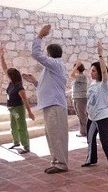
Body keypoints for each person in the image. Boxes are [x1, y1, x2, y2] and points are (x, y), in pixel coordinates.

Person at [23, 24, 68, 174]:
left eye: (46, 54)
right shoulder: (52, 68)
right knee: (51, 135)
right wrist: (34, 82)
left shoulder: (55, 64)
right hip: (51, 104)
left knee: (56, 136)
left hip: (55, 105)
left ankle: (61, 163)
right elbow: (47, 87)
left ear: (49, 54)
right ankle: (56, 161)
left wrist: (40, 36)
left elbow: (36, 54)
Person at [81, 41, 108, 178]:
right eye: (91, 70)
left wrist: (101, 55)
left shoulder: (105, 83)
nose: (91, 73)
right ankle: (91, 159)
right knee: (90, 138)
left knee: (105, 142)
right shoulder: (93, 83)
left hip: (102, 117)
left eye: (93, 70)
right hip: (92, 116)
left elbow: (105, 72)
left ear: (99, 72)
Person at [0, 46, 35, 154]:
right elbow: (4, 68)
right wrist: (1, 56)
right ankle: (16, 142)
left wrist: (29, 112)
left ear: (12, 76)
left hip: (18, 109)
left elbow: (25, 101)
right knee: (13, 126)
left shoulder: (20, 88)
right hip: (12, 110)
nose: (6, 75)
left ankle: (26, 146)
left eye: (8, 75)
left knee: (21, 126)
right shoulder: (11, 83)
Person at [70, 60, 88, 137]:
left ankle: (86, 131)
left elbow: (71, 74)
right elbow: (75, 88)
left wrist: (76, 66)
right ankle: (83, 131)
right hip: (76, 98)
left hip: (81, 98)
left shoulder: (82, 76)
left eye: (75, 67)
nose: (73, 69)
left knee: (82, 115)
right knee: (79, 115)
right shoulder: (78, 77)